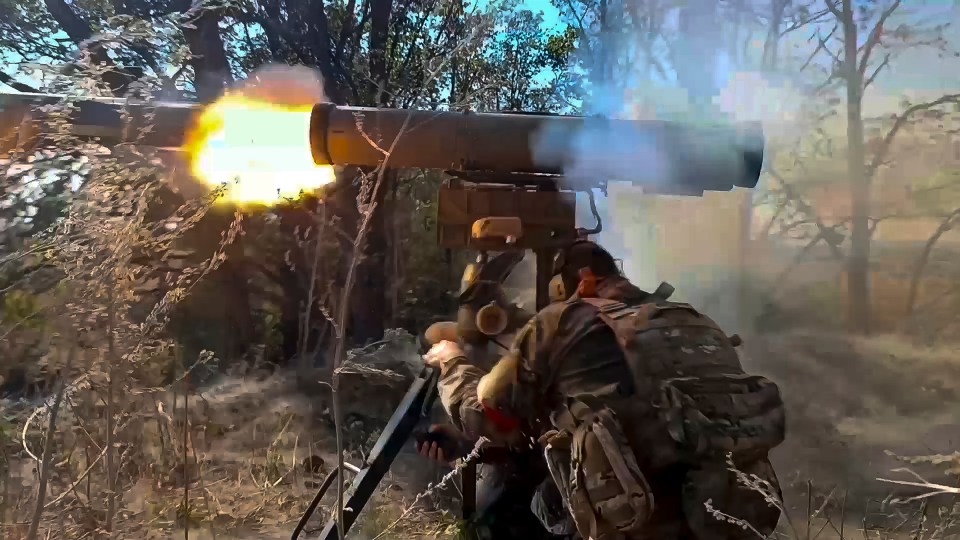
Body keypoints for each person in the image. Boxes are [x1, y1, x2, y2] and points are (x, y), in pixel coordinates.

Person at [422, 240, 786, 540]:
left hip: (635, 524)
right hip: (724, 522)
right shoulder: (698, 323)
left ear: (582, 280)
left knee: (514, 500)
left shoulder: (564, 320)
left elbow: (486, 413)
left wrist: (451, 362)